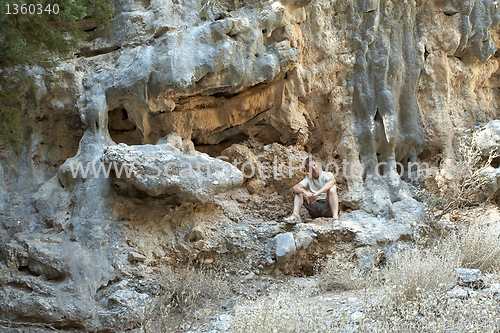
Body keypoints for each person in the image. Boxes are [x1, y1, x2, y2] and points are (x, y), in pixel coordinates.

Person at [284, 156, 340, 229]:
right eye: (310, 167)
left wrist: (317, 193)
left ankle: (335, 218)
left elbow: (331, 182)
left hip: (328, 207)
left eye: (314, 165)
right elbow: (295, 187)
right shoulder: (308, 179)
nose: (313, 168)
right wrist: (306, 193)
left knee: (331, 189)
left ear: (317, 165)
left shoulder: (327, 174)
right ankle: (295, 215)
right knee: (299, 192)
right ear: (307, 170)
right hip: (315, 208)